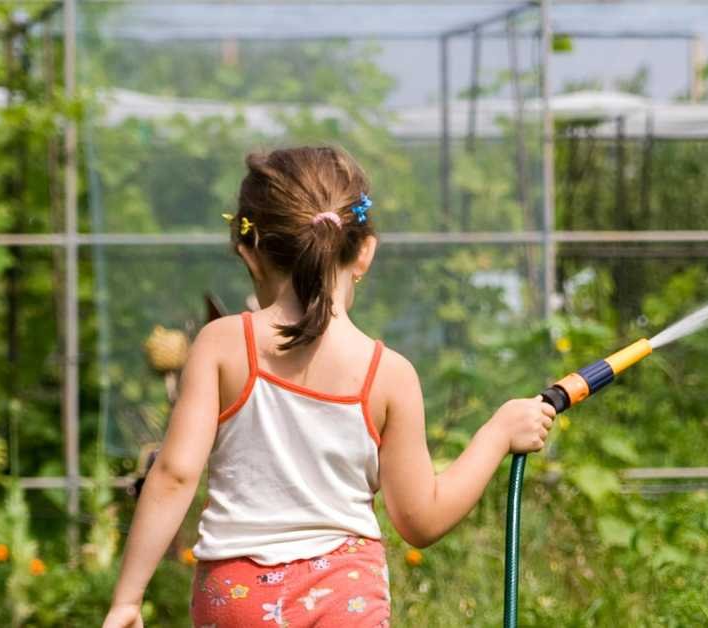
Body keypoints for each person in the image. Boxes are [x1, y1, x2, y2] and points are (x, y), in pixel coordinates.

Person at [102, 146, 556, 627]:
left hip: (237, 597)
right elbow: (421, 520)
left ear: (249, 253)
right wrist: (496, 434)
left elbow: (174, 475)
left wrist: (127, 600)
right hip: (345, 597)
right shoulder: (389, 375)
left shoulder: (221, 344)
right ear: (365, 252)